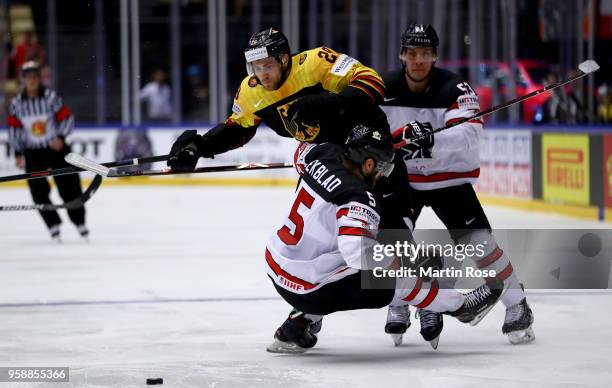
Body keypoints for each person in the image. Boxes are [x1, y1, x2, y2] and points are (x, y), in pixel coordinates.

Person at [265, 124, 504, 353]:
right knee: (396, 279)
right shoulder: (358, 196)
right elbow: (356, 252)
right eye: (381, 168)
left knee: (336, 264)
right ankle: (461, 307)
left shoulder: (322, 153)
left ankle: (294, 328)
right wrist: (400, 265)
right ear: (368, 163)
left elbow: (300, 153)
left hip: (278, 266)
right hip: (309, 289)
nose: (381, 176)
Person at [380, 24, 535, 345]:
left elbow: (469, 132)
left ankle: (517, 304)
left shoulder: (456, 87)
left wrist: (429, 142)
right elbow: (368, 126)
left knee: (481, 245)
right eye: (412, 53)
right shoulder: (383, 87)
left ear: (435, 55)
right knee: (391, 245)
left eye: (425, 53)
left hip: (448, 179)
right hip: (403, 179)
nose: (418, 60)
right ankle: (398, 303)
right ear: (402, 55)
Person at [166, 27, 389, 171]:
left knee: (389, 231)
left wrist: (327, 102)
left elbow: (373, 82)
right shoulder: (251, 90)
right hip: (328, 161)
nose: (262, 73)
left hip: (370, 149)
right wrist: (201, 146)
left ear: (283, 59)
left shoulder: (315, 62)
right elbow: (238, 130)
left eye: (268, 65)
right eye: (256, 66)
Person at [7, 61, 88, 242]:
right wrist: (18, 153)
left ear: (39, 79)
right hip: (33, 152)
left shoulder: (50, 97)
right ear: (23, 80)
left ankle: (79, 222)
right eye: (28, 78)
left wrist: (61, 136)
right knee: (38, 191)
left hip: (56, 148)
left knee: (69, 187)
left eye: (35, 77)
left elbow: (67, 117)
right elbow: (14, 129)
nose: (32, 81)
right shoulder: (16, 104)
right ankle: (53, 225)